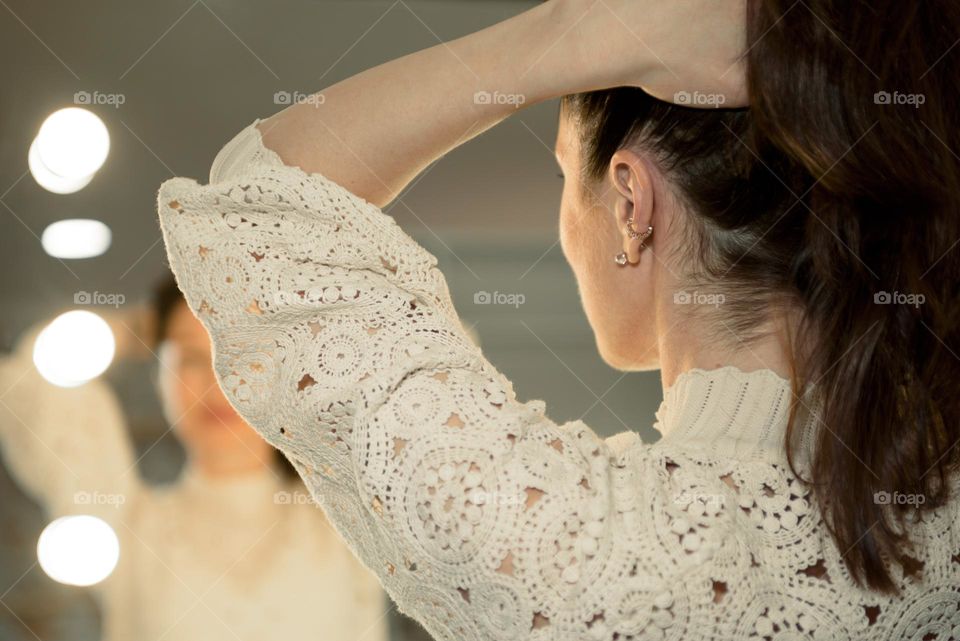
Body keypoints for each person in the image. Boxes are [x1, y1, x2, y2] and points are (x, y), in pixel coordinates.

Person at [154, 0, 960, 639]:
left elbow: (253, 204)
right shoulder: (940, 523)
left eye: (562, 177)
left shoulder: (586, 547)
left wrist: (576, 28)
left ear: (631, 202)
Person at [0, 277, 389, 641]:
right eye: (189, 357)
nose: (217, 381)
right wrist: (146, 321)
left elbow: (435, 379)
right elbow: (30, 385)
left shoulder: (350, 517)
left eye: (243, 357)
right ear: (158, 376)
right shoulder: (128, 528)